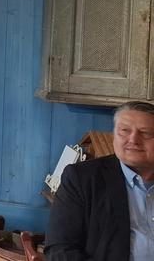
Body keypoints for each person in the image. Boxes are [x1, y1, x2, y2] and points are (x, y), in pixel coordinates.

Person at [45, 100, 154, 260]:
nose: (133, 140)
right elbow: (60, 250)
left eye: (145, 133)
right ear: (114, 135)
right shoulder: (81, 178)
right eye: (124, 131)